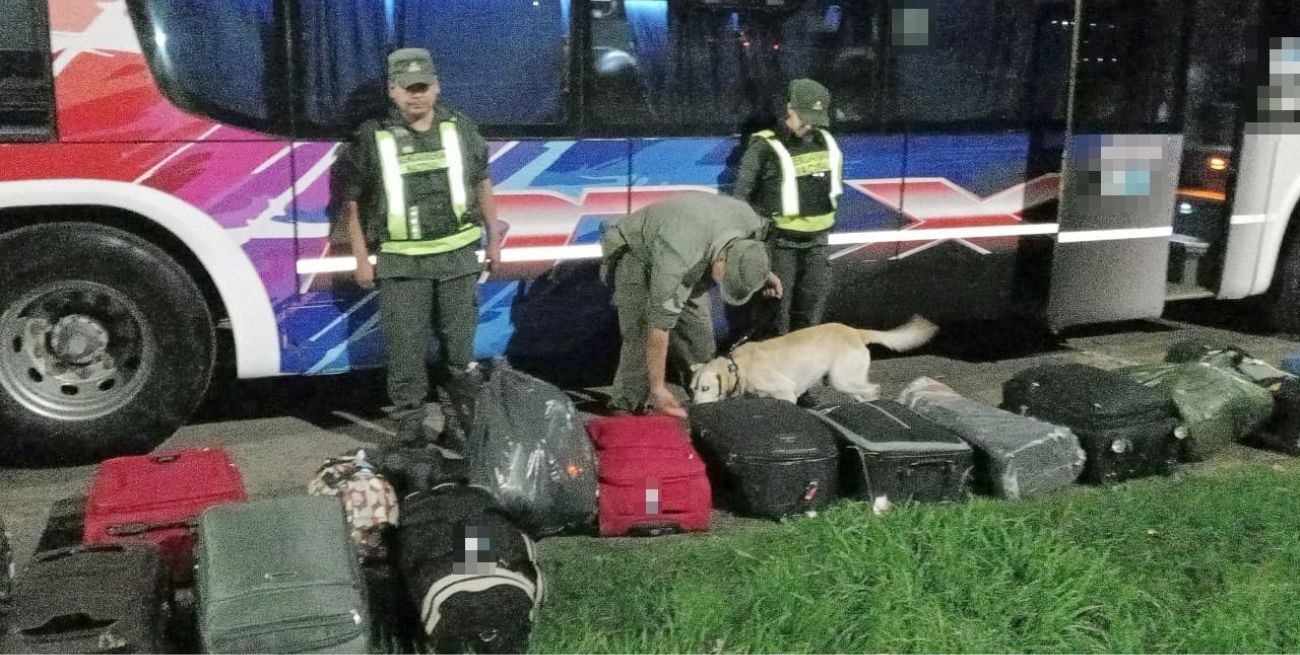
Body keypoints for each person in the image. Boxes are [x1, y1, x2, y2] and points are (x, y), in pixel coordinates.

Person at [342, 48, 502, 452]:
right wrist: (362, 257)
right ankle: (410, 437)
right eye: (407, 89)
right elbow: (352, 202)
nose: (417, 96)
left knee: (459, 356)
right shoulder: (371, 136)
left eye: (423, 87)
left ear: (436, 86)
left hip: (458, 260)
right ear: (392, 90)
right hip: (401, 264)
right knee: (405, 357)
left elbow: (483, 182)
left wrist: (494, 240)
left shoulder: (460, 128)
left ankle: (460, 428)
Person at [600, 192, 783, 418]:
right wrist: (657, 389)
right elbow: (659, 326)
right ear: (721, 261)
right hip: (638, 253)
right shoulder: (678, 257)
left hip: (697, 249)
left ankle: (703, 396)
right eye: (725, 281)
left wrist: (761, 273)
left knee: (700, 339)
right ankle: (626, 403)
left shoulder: (750, 222)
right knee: (640, 332)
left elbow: (749, 252)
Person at [733, 78, 843, 337]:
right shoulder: (763, 147)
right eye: (801, 116)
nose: (808, 124)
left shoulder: (826, 141)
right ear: (786, 109)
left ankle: (804, 372)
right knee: (776, 316)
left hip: (817, 243)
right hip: (779, 244)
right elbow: (740, 200)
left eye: (813, 118)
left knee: (810, 314)